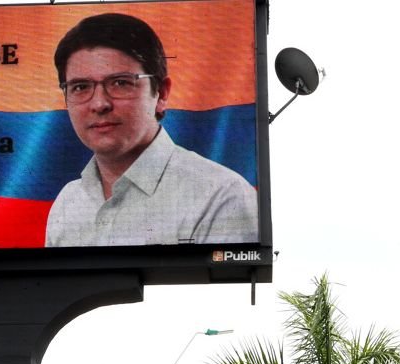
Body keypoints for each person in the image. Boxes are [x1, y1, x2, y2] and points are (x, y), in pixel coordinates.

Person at [46, 12, 258, 247]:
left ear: (161, 93)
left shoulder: (221, 196)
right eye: (80, 87)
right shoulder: (68, 202)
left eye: (120, 83)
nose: (99, 104)